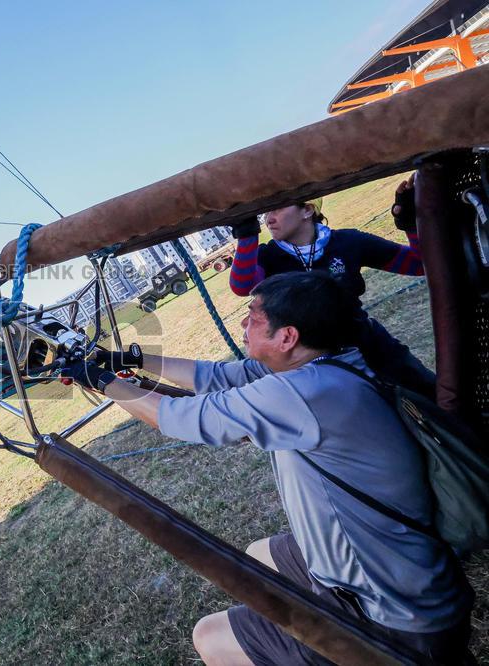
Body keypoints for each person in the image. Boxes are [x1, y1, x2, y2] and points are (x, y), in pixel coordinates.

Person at [64, 272, 473, 665]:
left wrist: (98, 380)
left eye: (254, 317)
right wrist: (123, 360)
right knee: (260, 555)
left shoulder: (303, 391)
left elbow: (175, 416)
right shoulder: (330, 364)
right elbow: (213, 376)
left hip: (397, 618)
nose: (243, 322)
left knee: (211, 637)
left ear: (287, 337)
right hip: (413, 575)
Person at [226, 177, 434, 396]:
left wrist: (411, 221)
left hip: (370, 347)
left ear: (307, 210)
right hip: (314, 369)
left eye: (275, 209)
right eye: (265, 214)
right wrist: (247, 235)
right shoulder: (267, 256)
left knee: (434, 399)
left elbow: (418, 264)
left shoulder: (348, 242)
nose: (268, 220)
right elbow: (242, 286)